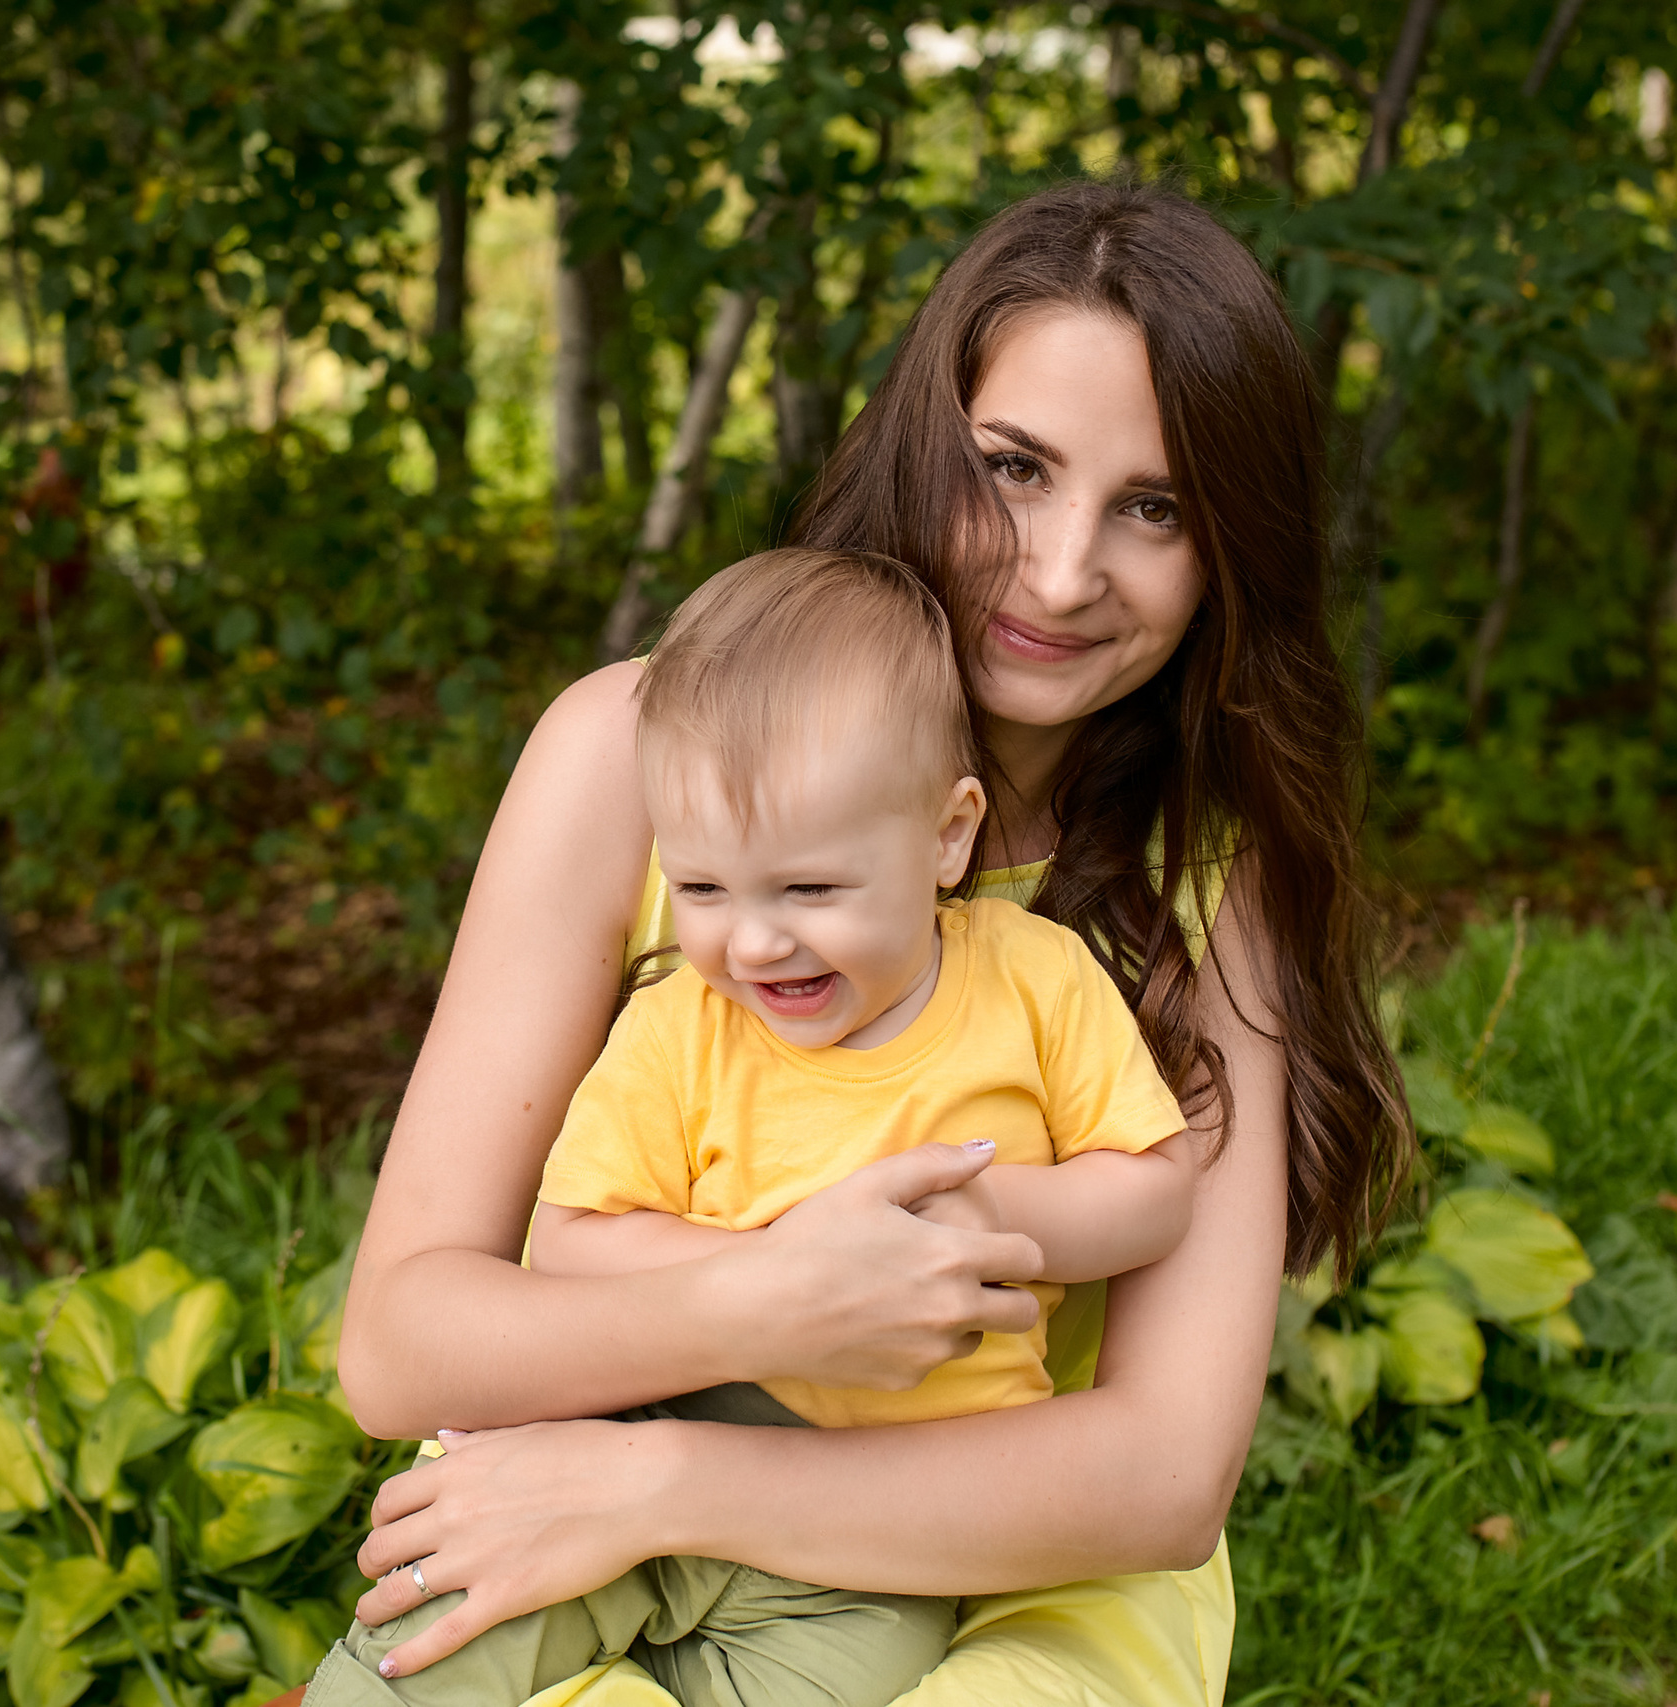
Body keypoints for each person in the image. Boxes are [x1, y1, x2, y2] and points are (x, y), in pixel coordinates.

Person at [331, 179, 1411, 1707]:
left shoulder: (1208, 881)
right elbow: (401, 1342)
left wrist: (671, 1488)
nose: (1059, 572)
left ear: (1232, 546)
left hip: (1019, 1553)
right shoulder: (628, 758)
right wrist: (762, 1307)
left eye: (1152, 506)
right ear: (925, 439)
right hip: (602, 1492)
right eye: (1014, 469)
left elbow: (1162, 1474)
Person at [308, 547, 1200, 1706]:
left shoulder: (1036, 981)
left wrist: (990, 1220)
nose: (755, 943)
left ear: (947, 834)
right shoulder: (682, 1024)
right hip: (646, 1408)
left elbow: (1154, 1187)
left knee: (834, 1683)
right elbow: (577, 1239)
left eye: (810, 891)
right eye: (706, 890)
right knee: (430, 1647)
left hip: (890, 1503)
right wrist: (786, 1282)